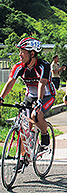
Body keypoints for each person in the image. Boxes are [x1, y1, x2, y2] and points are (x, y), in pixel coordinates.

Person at [0, 37, 56, 170]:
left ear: (32, 53)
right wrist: (1, 98)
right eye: (19, 51)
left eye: (22, 51)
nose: (20, 54)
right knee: (24, 126)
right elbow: (11, 82)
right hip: (30, 96)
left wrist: (40, 101)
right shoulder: (19, 66)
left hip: (47, 95)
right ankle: (22, 157)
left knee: (36, 116)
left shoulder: (44, 65)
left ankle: (44, 135)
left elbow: (41, 83)